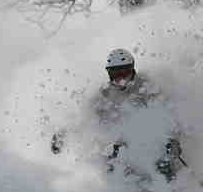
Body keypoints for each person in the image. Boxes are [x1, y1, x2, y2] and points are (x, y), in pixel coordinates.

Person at [51, 48, 185, 183]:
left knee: (163, 164)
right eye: (115, 74)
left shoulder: (147, 86)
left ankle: (173, 191)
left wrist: (173, 140)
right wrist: (63, 135)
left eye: (124, 72)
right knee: (112, 157)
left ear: (132, 69)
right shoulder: (105, 94)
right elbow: (85, 119)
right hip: (126, 146)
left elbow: (170, 114)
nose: (120, 78)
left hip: (153, 142)